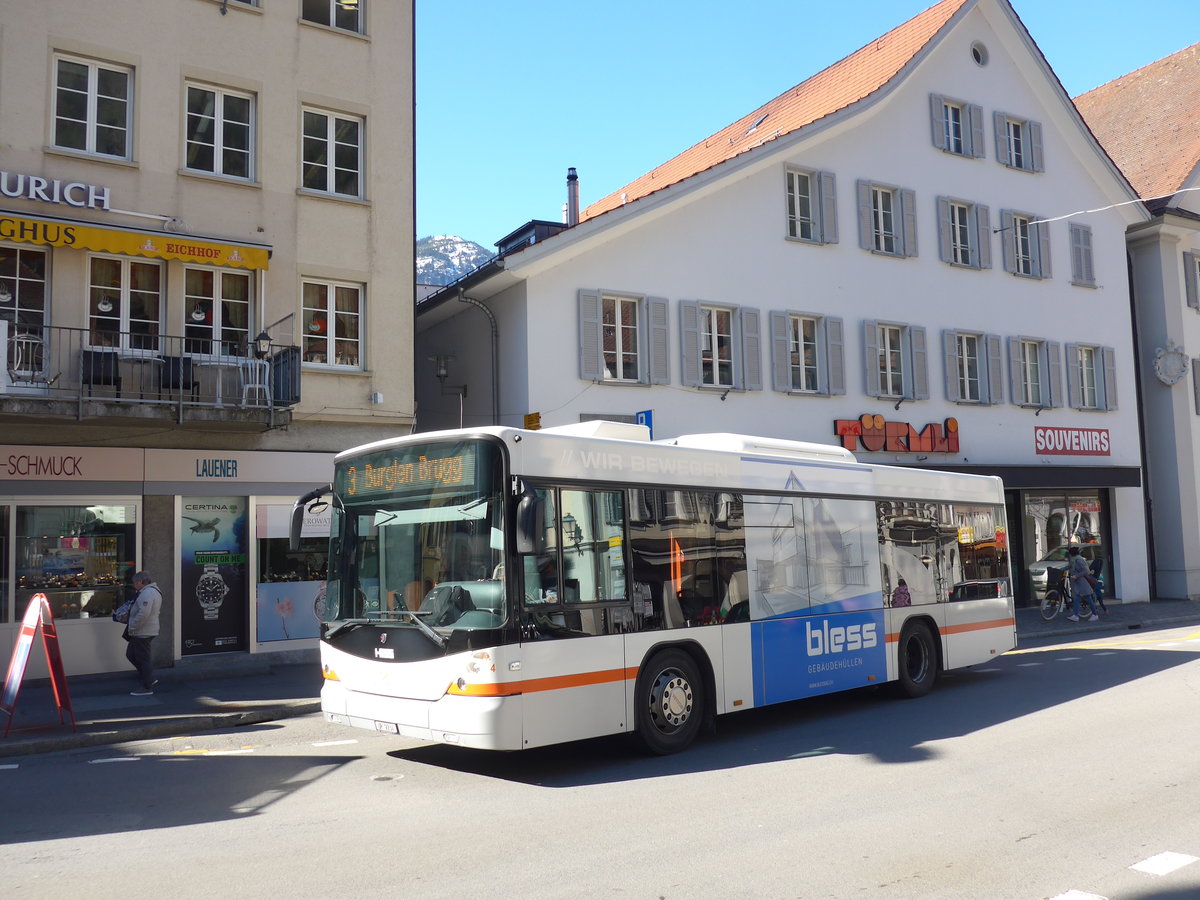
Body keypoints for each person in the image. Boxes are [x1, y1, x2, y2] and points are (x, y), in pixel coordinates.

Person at [126, 571, 162, 696]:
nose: (134, 585)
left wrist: (134, 626)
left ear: (141, 582)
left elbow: (143, 613)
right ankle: (149, 678)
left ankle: (147, 686)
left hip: (143, 631)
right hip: (143, 630)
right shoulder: (149, 591)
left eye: (135, 583)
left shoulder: (148, 593)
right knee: (131, 654)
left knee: (142, 658)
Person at [1066, 546, 1098, 622]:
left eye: (1069, 554)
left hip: (1083, 583)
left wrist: (1076, 576)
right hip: (1079, 583)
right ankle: (1076, 615)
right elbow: (1070, 566)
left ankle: (1095, 614)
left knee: (1088, 599)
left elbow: (1086, 571)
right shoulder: (1075, 560)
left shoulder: (1079, 560)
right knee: (1077, 599)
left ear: (1071, 554)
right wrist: (1061, 569)